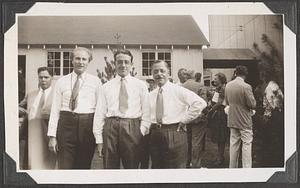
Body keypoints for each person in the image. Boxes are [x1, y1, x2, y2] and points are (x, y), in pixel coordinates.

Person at [93, 49, 150, 169]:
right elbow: (99, 113)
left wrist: (141, 131)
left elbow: (147, 112)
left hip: (132, 126)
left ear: (131, 64)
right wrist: (99, 139)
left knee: (132, 166)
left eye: (126, 62)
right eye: (119, 62)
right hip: (110, 127)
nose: (123, 65)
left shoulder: (141, 85)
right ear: (115, 64)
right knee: (110, 167)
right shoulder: (106, 87)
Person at [47, 47, 101, 169]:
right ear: (72, 60)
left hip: (87, 126)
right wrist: (52, 136)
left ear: (88, 61)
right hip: (66, 126)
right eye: (77, 58)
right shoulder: (61, 82)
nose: (80, 62)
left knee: (83, 167)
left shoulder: (96, 82)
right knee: (65, 167)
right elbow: (55, 110)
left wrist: (99, 138)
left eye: (84, 59)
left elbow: (99, 111)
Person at [149, 60, 207, 168]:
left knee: (176, 171)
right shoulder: (151, 95)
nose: (159, 74)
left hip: (175, 132)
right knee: (157, 170)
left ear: (168, 72)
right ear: (152, 74)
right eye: (155, 71)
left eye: (162, 71)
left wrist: (185, 119)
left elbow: (200, 103)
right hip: (155, 134)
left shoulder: (178, 90)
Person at [19, 67, 56, 169]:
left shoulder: (57, 95)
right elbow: (19, 107)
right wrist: (25, 111)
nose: (43, 80)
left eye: (46, 77)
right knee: (29, 162)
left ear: (52, 78)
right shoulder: (31, 94)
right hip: (31, 132)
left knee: (47, 164)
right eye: (40, 77)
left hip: (47, 132)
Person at [225, 66, 256, 168]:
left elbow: (227, 102)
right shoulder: (246, 86)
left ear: (235, 73)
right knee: (247, 145)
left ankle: (232, 168)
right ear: (245, 74)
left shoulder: (228, 85)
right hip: (244, 120)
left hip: (232, 118)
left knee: (233, 145)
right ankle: (246, 169)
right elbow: (252, 104)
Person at [182, 70, 207, 168]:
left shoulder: (181, 86)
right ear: (193, 76)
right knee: (196, 142)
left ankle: (186, 163)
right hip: (198, 118)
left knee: (187, 141)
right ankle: (196, 164)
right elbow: (203, 102)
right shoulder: (200, 86)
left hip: (185, 117)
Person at [208, 73, 229, 166]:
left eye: (216, 79)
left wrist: (210, 110)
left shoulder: (223, 88)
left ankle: (220, 158)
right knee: (219, 136)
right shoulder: (219, 88)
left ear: (221, 79)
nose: (214, 80)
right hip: (218, 113)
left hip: (220, 113)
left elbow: (219, 103)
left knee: (221, 137)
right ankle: (220, 156)